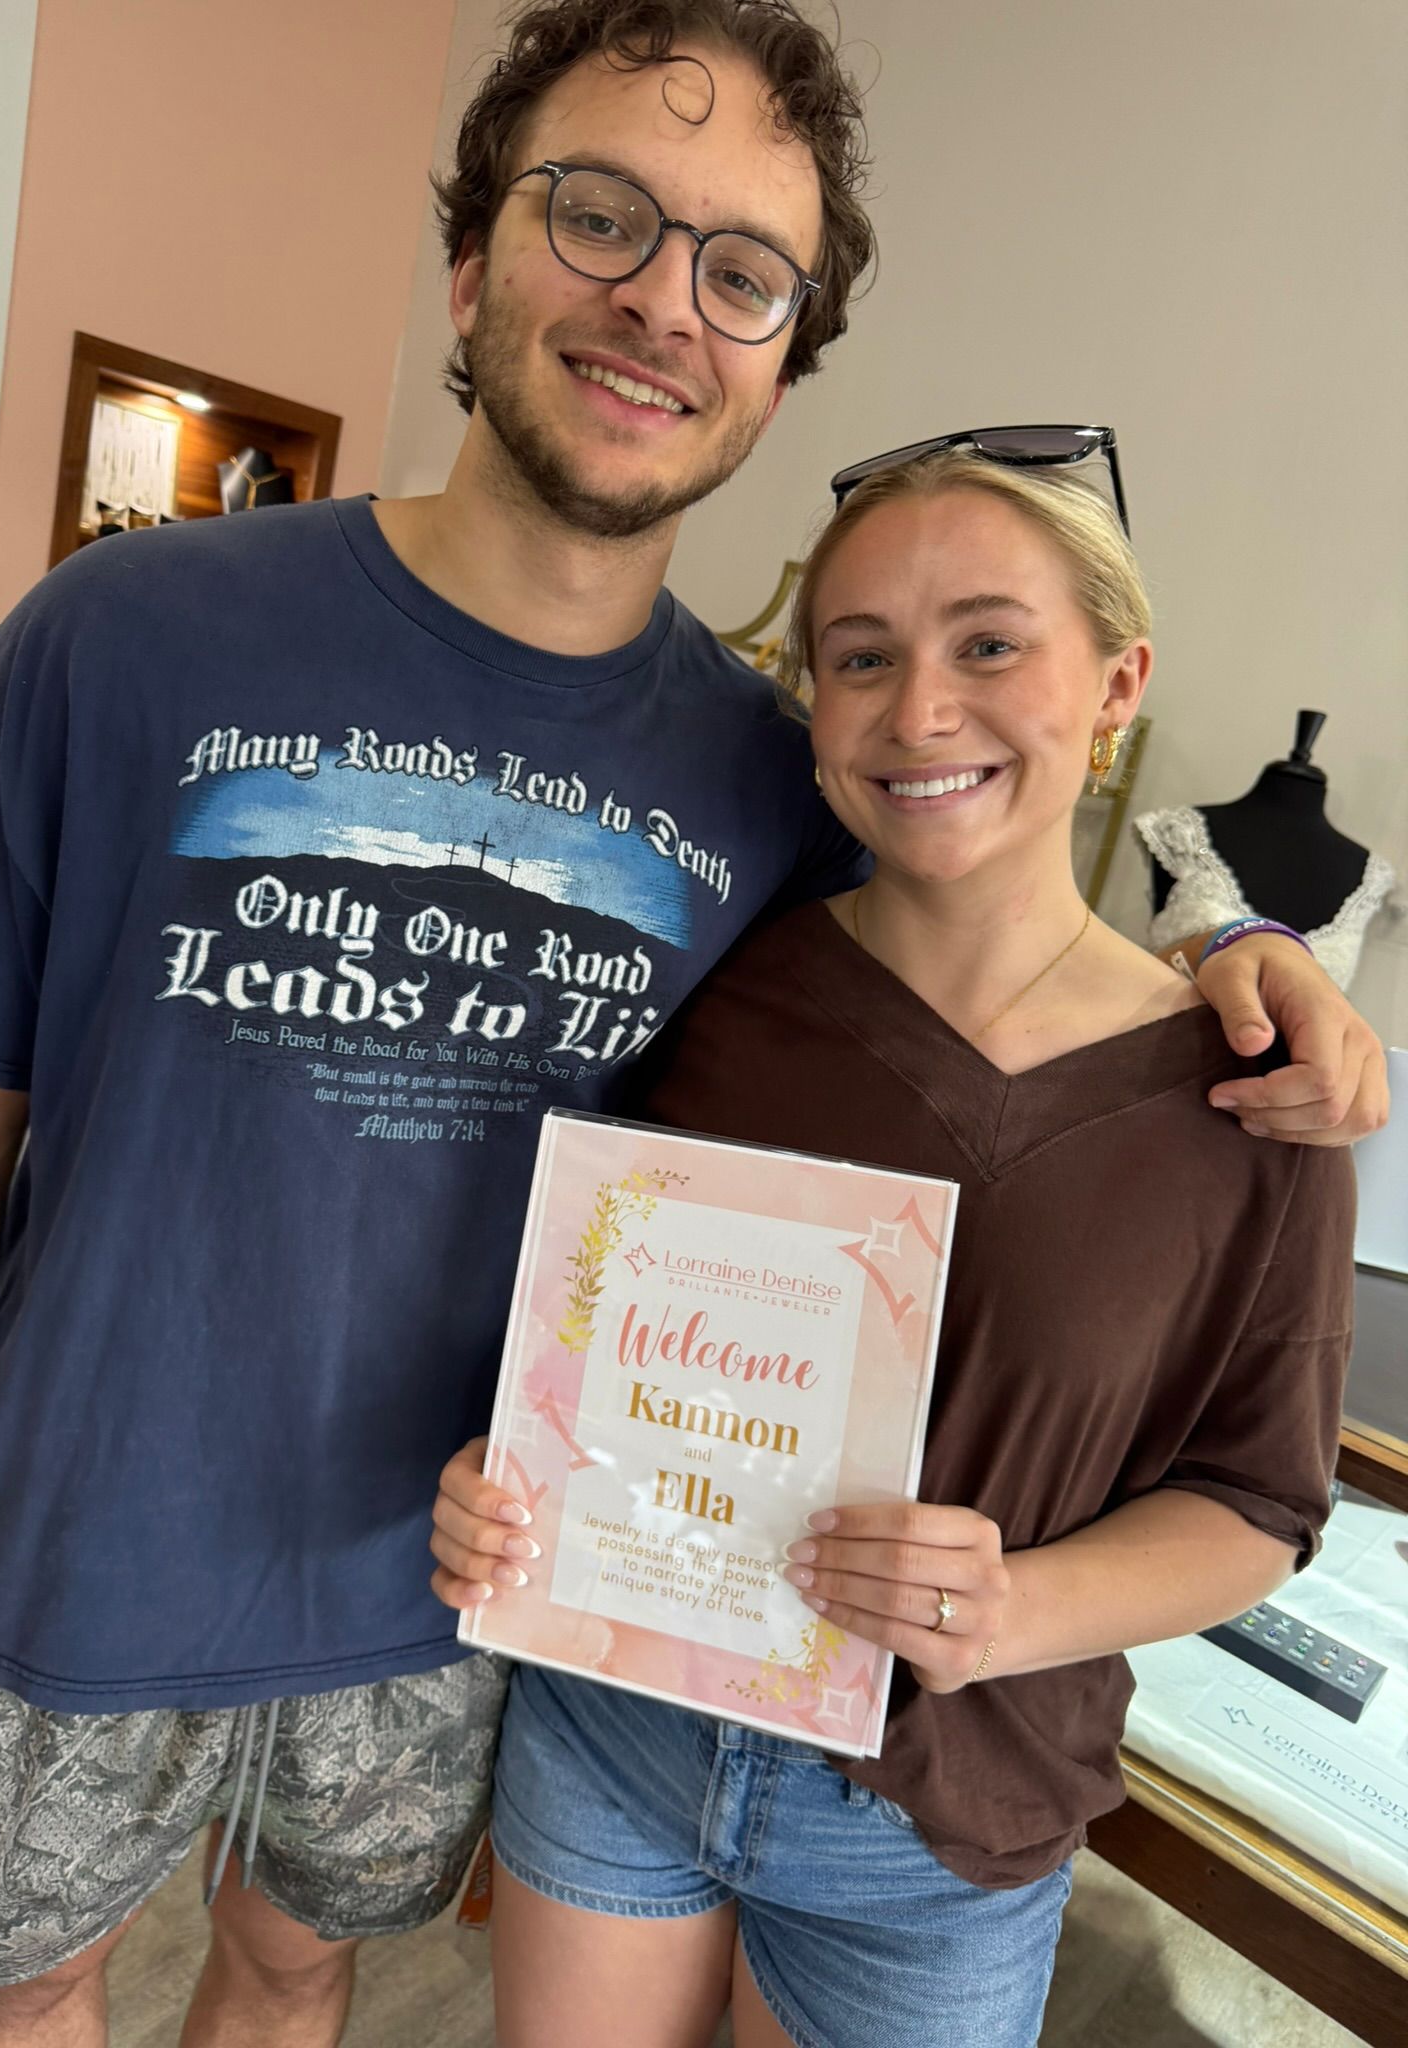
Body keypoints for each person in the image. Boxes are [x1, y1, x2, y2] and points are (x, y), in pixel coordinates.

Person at [0, 0, 1380, 2041]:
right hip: (62, 1531)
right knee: (23, 1991)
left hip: (454, 1581)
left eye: (741, 269)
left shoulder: (775, 783)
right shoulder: (121, 636)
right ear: (474, 253)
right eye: (598, 216)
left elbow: (985, 949)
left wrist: (1232, 953)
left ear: (781, 351)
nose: (663, 300)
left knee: (295, 1971)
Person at [427, 443, 1357, 2048]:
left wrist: (1016, 1607)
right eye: (861, 656)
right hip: (615, 1729)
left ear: (1118, 678)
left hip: (944, 1821)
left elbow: (1264, 1502)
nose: (921, 712)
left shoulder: (1251, 1099)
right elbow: (586, 1317)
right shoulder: (715, 987)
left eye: (991, 643)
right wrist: (508, 1476)